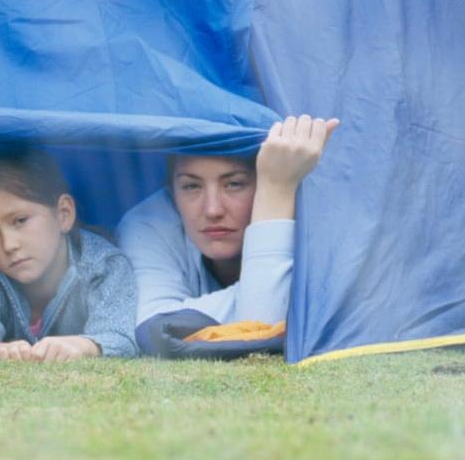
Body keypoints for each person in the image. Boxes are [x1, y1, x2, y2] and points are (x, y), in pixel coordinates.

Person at [116, 115, 338, 328]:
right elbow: (156, 325)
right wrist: (286, 293)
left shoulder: (315, 221)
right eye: (191, 186)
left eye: (234, 184)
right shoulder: (147, 222)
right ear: (172, 190)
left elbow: (260, 320)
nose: (213, 210)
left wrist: (276, 189)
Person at [0, 149, 137, 361]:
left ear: (63, 214)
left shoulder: (105, 266)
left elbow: (120, 337)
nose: (9, 245)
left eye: (20, 220)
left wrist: (84, 346)